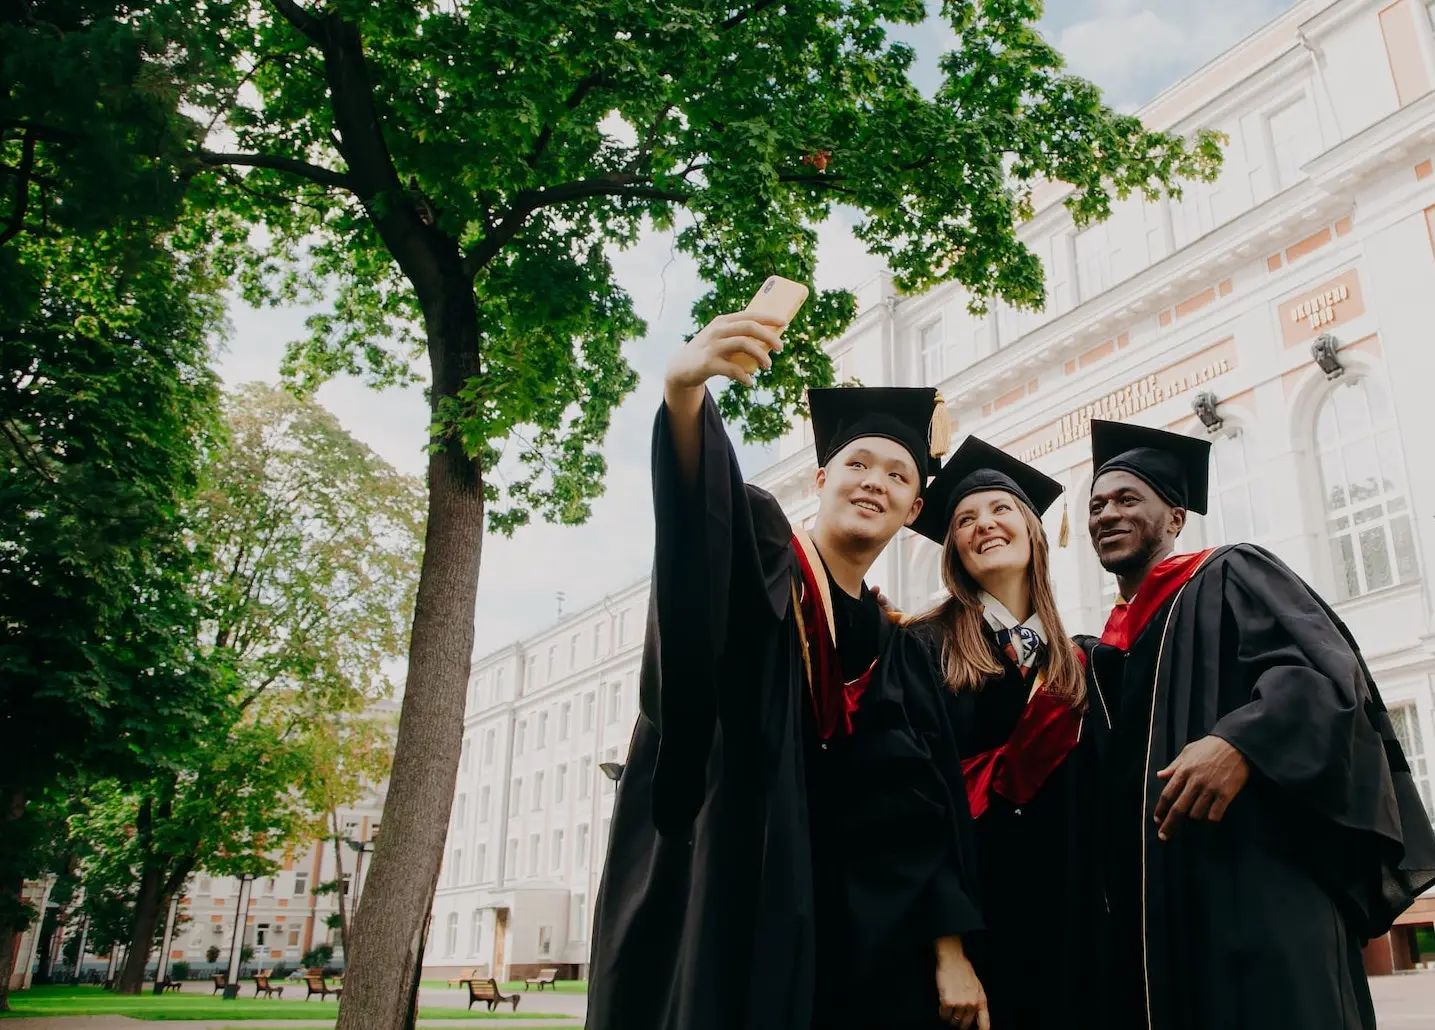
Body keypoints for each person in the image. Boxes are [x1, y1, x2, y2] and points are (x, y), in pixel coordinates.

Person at [586, 311, 986, 1030]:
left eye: (897, 474)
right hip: (719, 870)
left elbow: (914, 810)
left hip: (829, 918)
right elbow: (697, 524)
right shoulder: (763, 551)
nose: (874, 482)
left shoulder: (894, 649)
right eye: (858, 464)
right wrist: (683, 397)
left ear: (914, 506)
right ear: (823, 475)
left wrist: (946, 947)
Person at [1080, 418, 1435, 1030]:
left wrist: (1239, 741)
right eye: (1096, 504)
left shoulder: (1230, 573)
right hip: (1164, 919)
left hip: (1261, 889)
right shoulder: (1108, 651)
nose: (1107, 513)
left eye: (1127, 498)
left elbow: (1323, 676)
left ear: (1175, 519)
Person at [906, 436, 1107, 1030]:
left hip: (1071, 937)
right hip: (975, 937)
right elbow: (911, 807)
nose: (983, 525)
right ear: (954, 551)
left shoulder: (1078, 666)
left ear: (1033, 530)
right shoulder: (923, 649)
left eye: (1000, 509)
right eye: (965, 519)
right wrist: (949, 950)